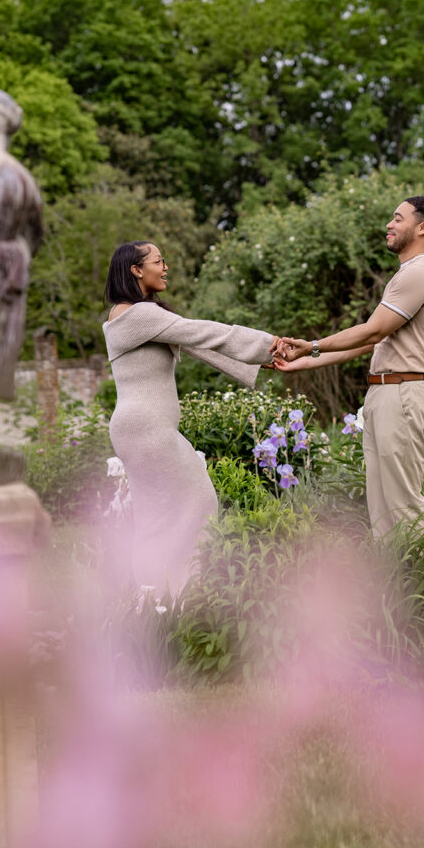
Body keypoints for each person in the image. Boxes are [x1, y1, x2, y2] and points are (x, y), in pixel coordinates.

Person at [103, 240, 280, 593]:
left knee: (155, 518)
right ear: (136, 270)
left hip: (136, 430)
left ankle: (153, 601)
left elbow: (196, 343)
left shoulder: (133, 315)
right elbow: (205, 331)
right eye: (158, 261)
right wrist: (268, 344)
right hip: (148, 429)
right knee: (199, 501)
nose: (165, 267)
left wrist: (261, 359)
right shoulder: (140, 315)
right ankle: (183, 593)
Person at [274, 196, 424, 538]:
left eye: (398, 218)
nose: (389, 224)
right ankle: (397, 583)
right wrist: (306, 361)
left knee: (403, 507)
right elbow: (372, 343)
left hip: (404, 394)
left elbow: (373, 329)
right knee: (385, 511)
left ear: (423, 227)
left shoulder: (420, 272)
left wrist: (312, 344)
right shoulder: (411, 274)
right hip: (390, 393)